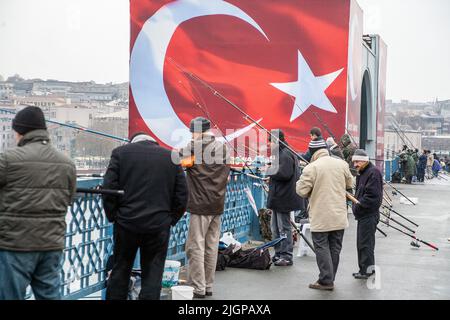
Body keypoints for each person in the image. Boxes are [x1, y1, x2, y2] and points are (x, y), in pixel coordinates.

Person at [0, 106, 77, 300]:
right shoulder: (67, 163)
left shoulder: (8, 160)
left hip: (15, 244)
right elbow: (69, 199)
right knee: (50, 295)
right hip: (51, 244)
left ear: (20, 132)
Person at [103, 132, 188, 300]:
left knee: (121, 268)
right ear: (153, 142)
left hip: (126, 223)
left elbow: (108, 190)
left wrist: (114, 216)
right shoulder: (171, 157)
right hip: (158, 225)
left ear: (132, 142)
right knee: (153, 272)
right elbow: (182, 194)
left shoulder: (120, 153)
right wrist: (171, 219)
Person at [179, 117, 230, 299]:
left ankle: (197, 287)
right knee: (211, 246)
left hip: (200, 205)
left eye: (192, 132)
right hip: (217, 203)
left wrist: (192, 144)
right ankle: (208, 285)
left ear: (197, 132)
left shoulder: (194, 147)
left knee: (195, 246)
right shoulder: (223, 148)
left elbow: (177, 159)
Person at [296, 139, 353, 291]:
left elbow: (301, 191)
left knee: (321, 246)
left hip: (321, 215)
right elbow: (350, 184)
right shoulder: (342, 164)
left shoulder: (311, 168)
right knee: (335, 247)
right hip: (339, 214)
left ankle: (326, 280)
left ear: (313, 153)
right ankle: (330, 278)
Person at [266, 129, 303, 267]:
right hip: (279, 197)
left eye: (270, 141)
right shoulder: (283, 153)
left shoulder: (285, 154)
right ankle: (279, 253)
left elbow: (285, 173)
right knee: (275, 227)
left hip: (283, 198)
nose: (269, 145)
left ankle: (286, 255)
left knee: (283, 227)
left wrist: (268, 170)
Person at [351, 149, 383, 280]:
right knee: (363, 243)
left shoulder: (373, 173)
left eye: (357, 161)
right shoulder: (363, 172)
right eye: (354, 162)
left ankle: (366, 271)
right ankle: (367, 268)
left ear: (365, 161)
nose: (355, 165)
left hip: (368, 214)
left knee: (365, 244)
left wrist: (358, 205)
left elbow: (373, 197)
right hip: (364, 214)